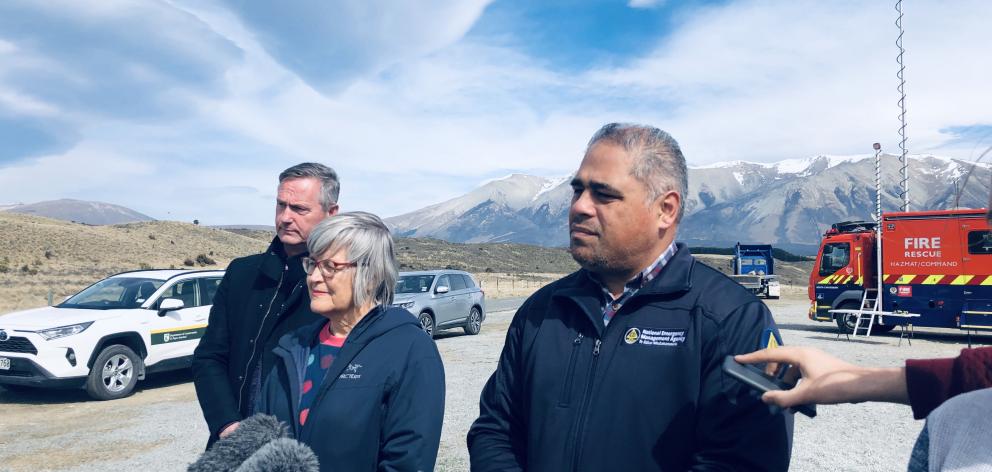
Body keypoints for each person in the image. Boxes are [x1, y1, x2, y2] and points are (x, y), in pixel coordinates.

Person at [467, 123, 793, 471]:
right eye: (577, 191)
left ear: (665, 210)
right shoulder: (541, 310)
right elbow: (495, 430)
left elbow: (745, 461)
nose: (579, 207)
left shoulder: (732, 319)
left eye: (603, 194)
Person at [255, 212, 445, 471]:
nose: (313, 277)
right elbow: (259, 440)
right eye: (312, 263)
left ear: (371, 276)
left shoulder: (409, 350)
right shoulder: (293, 347)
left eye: (330, 267)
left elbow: (407, 462)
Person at [192, 162, 340, 447]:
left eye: (299, 209)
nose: (285, 217)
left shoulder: (342, 283)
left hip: (304, 450)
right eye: (280, 205)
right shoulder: (241, 273)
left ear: (331, 213)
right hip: (235, 447)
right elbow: (209, 356)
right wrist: (227, 424)